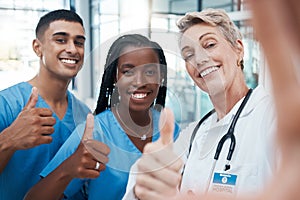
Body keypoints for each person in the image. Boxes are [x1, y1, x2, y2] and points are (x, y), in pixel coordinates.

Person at [123, 8, 278, 200]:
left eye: (210, 44)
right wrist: (144, 187)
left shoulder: (275, 120)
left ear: (238, 49)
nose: (200, 59)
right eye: (189, 55)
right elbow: (148, 181)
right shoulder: (195, 134)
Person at [24, 34, 181, 200]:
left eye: (150, 71)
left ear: (161, 77)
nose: (140, 81)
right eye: (128, 72)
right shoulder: (94, 132)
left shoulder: (170, 130)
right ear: (115, 77)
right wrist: (69, 167)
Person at [0, 9, 91, 200]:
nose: (73, 49)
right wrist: (8, 141)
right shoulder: (6, 104)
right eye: (60, 40)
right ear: (37, 47)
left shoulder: (85, 115)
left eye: (79, 42)